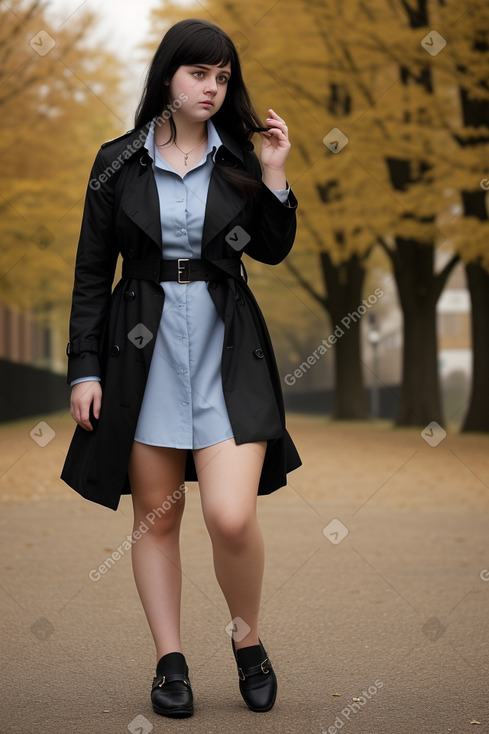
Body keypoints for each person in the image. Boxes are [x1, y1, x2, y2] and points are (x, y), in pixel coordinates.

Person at [61, 18, 301, 718]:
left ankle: (247, 641)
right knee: (156, 520)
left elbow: (274, 249)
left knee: (231, 517)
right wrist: (84, 369)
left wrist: (276, 173)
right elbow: (87, 274)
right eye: (200, 73)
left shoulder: (238, 159)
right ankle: (169, 662)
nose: (212, 87)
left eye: (223, 77)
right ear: (167, 76)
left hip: (229, 353)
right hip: (140, 357)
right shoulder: (117, 162)